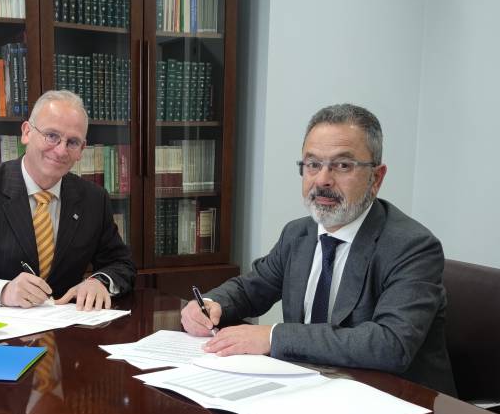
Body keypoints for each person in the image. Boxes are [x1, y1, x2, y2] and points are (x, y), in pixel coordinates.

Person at [181, 103, 456, 395]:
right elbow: (250, 290)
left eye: (342, 165)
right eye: (312, 164)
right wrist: (210, 304)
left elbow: (390, 344)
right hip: (312, 391)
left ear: (376, 178)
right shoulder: (298, 234)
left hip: (396, 403)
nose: (323, 179)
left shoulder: (411, 246)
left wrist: (273, 336)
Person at [0, 90, 135, 310]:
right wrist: (3, 291)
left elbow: (122, 264)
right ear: (26, 133)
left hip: (68, 325)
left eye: (72, 142)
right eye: (51, 135)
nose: (61, 151)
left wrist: (98, 282)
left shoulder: (93, 199)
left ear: (81, 150)